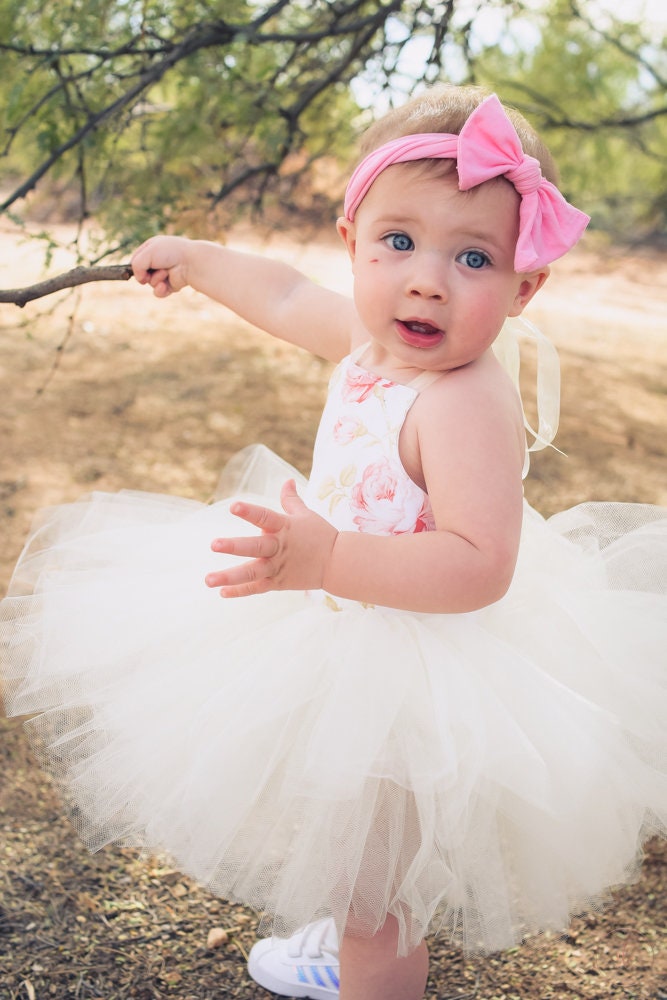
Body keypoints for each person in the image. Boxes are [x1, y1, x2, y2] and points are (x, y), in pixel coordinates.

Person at [1, 85, 666, 1000]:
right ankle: (350, 932)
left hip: (417, 660)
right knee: (349, 840)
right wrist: (193, 259)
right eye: (398, 242)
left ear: (523, 287)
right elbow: (280, 291)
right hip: (326, 617)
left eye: (472, 257)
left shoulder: (466, 399)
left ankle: (370, 970)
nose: (426, 278)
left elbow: (480, 564)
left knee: (379, 896)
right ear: (352, 241)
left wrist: (327, 562)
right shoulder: (368, 340)